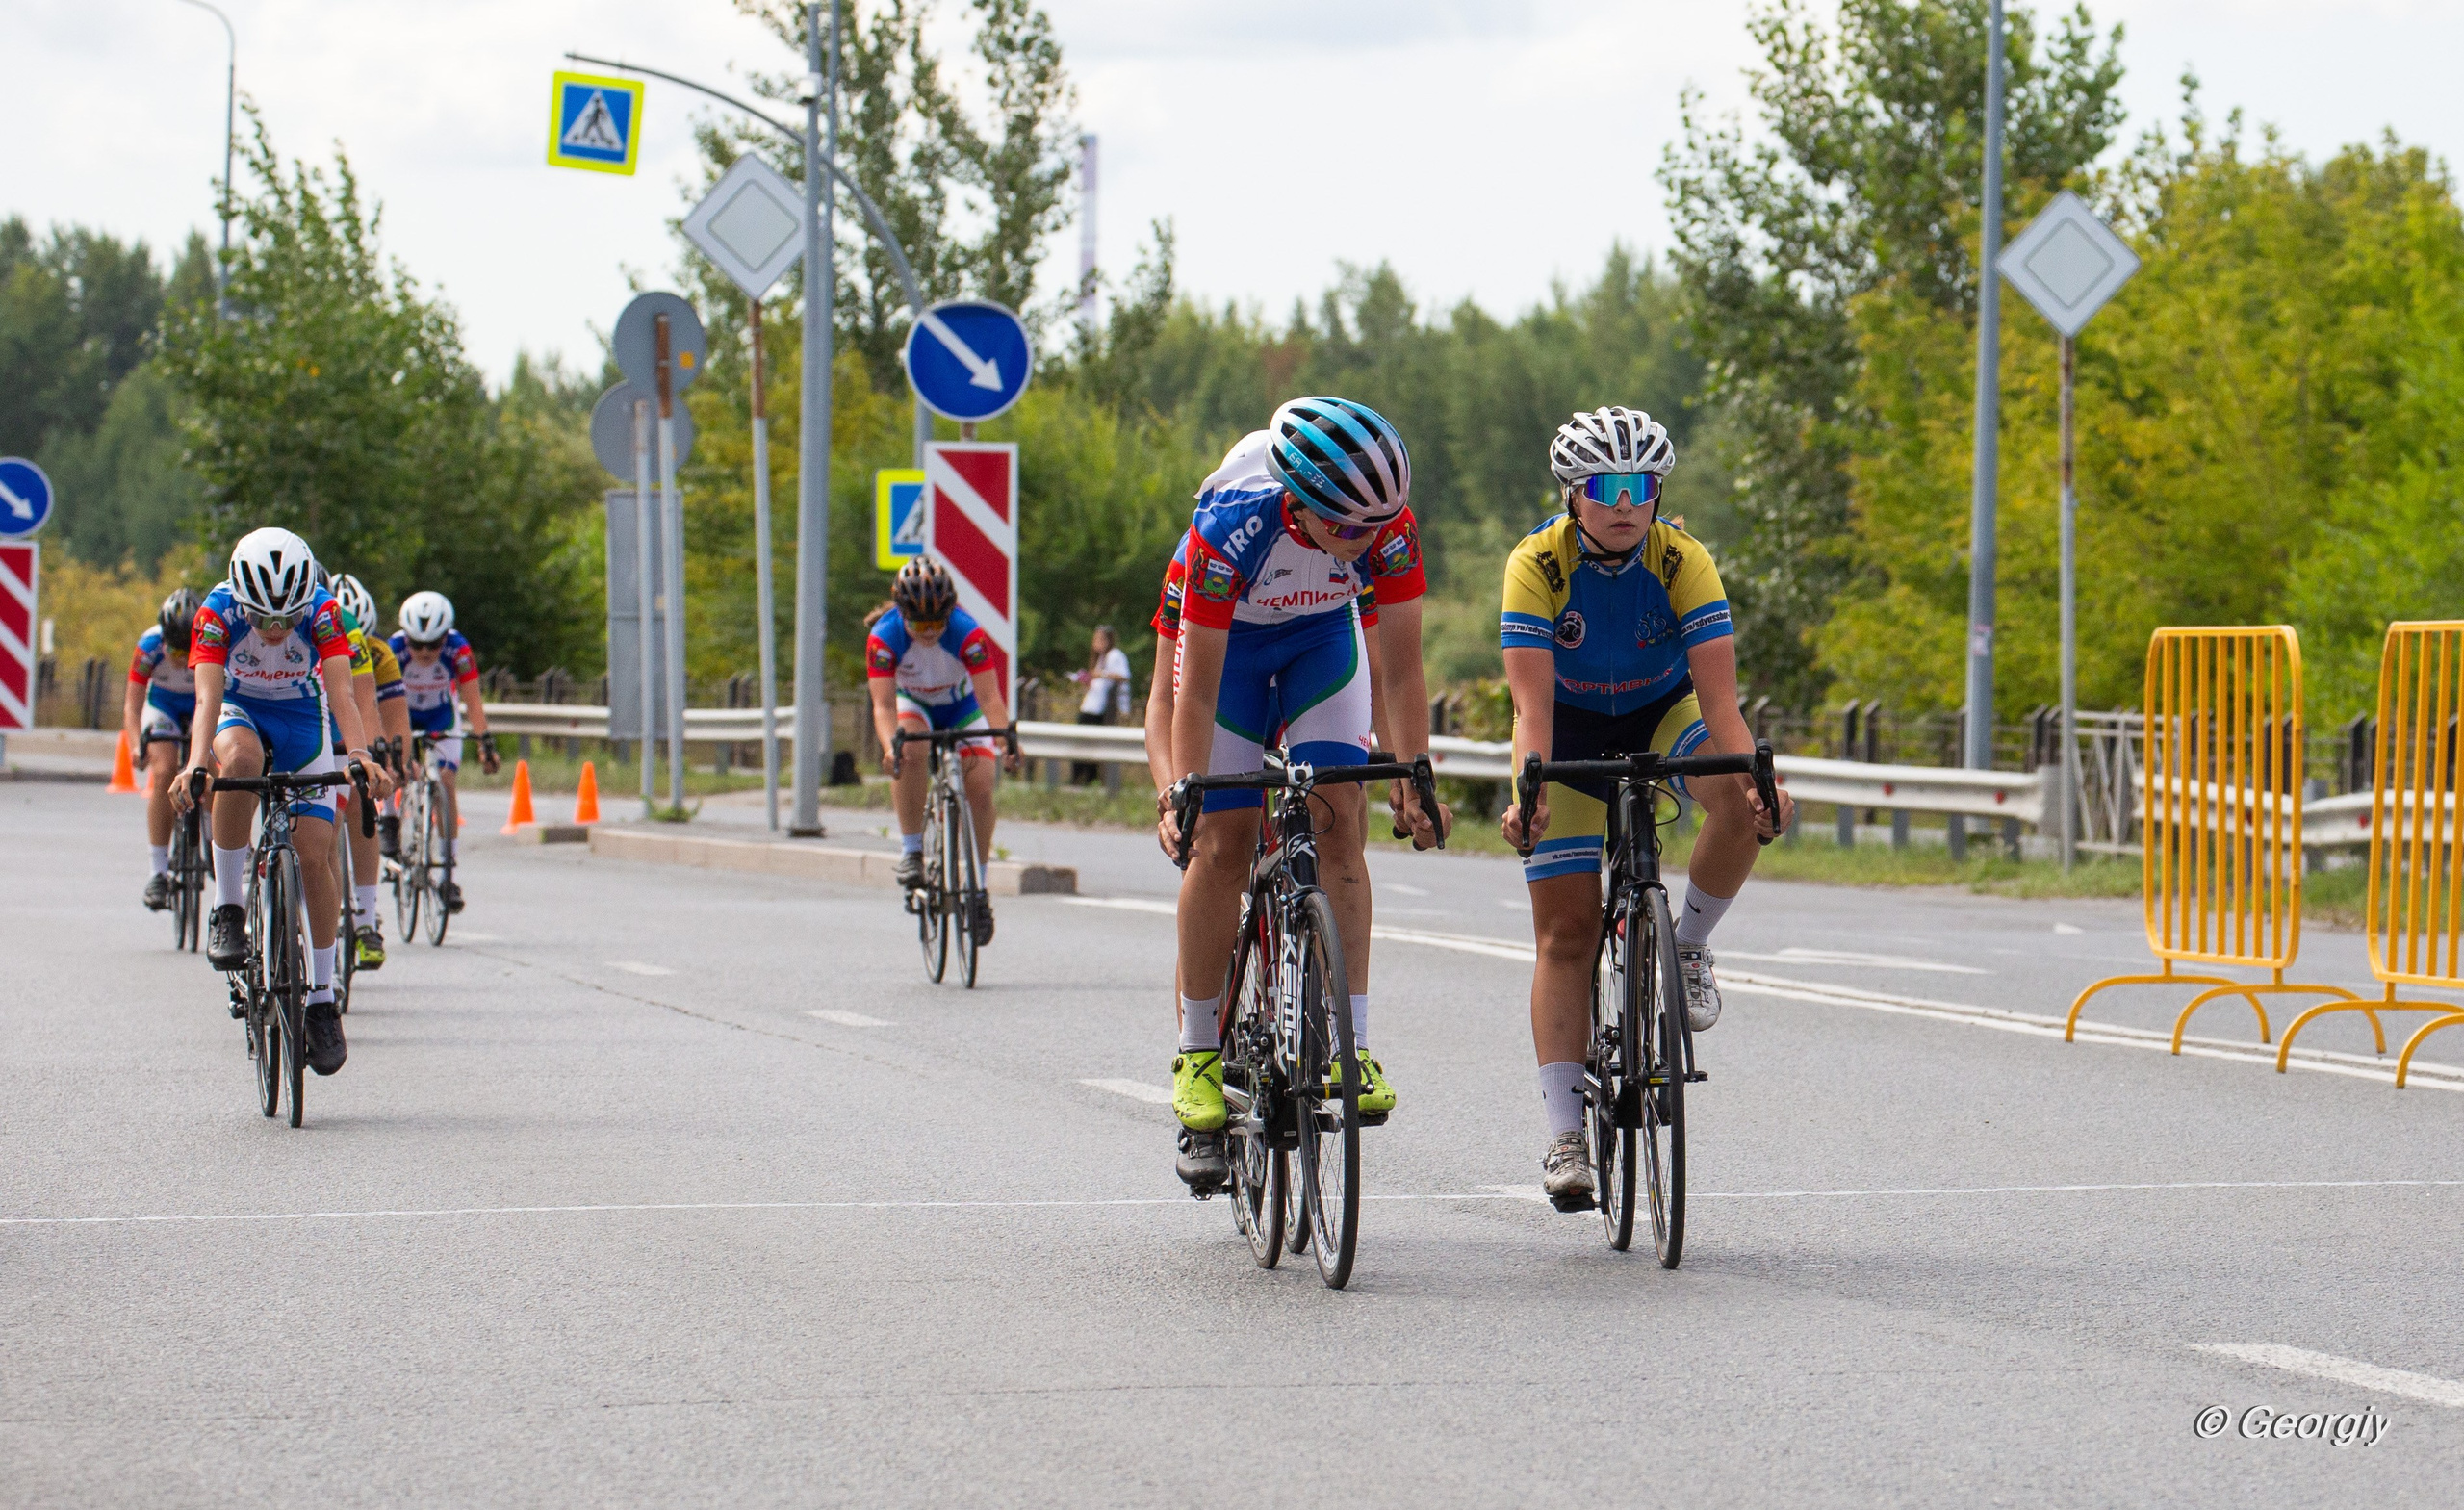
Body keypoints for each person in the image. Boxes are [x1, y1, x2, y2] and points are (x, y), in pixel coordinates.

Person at [1497, 407, 1794, 1208]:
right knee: (1566, 932)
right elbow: (1530, 710)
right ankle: (1565, 1134)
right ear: (1573, 494)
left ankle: (1687, 944)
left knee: (1737, 793)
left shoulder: (1683, 558)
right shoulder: (1537, 565)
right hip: (1568, 726)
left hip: (1662, 710)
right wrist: (1529, 792)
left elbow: (1720, 701)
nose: (1625, 503)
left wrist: (1758, 783)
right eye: (1605, 487)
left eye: (1641, 486)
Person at [1155, 397, 1450, 1190]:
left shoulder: (1386, 523)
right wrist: (1187, 789)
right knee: (1220, 843)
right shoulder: (1232, 526)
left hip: (1323, 638)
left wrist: (1414, 773)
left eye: (1375, 528)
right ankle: (1198, 1053)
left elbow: (1402, 667)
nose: (1364, 541)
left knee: (1340, 826)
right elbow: (1195, 691)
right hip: (1235, 650)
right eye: (1346, 529)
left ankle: (1348, 1047)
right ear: (1300, 498)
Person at [171, 528, 387, 1077]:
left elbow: (341, 692)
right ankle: (228, 908)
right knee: (239, 763)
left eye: (285, 619)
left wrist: (359, 754)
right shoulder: (216, 613)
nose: (273, 631)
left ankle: (319, 999)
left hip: (301, 722)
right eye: (262, 619)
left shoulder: (323, 610)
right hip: (239, 711)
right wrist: (198, 762)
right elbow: (206, 697)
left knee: (314, 853)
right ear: (242, 601)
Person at [865, 557, 1023, 943]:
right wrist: (890, 748)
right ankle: (912, 851)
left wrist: (1004, 740)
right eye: (919, 624)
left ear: (950, 613)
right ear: (902, 616)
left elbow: (989, 696)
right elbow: (884, 708)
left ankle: (979, 890)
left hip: (962, 706)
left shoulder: (967, 632)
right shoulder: (884, 639)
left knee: (981, 786)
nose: (930, 632)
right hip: (913, 704)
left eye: (938, 623)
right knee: (910, 753)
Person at [388, 589, 499, 914]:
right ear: (405, 637)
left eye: (433, 644)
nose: (424, 651)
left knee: (446, 782)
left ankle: (448, 869)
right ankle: (389, 823)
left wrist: (485, 743)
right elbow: (382, 703)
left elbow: (473, 699)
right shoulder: (394, 651)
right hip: (401, 715)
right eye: (417, 643)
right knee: (398, 771)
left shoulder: (458, 649)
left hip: (441, 715)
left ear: (444, 638)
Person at [325, 571, 405, 968]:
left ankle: (365, 917)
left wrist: (376, 758)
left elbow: (366, 701)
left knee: (359, 800)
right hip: (300, 723)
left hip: (341, 722)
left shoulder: (344, 628)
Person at [126, 588, 200, 911]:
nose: (179, 659)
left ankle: (214, 840)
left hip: (201, 704)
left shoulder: (213, 641)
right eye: (173, 650)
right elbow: (133, 704)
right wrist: (133, 744)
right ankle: (158, 871)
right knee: (164, 770)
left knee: (210, 768)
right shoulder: (149, 646)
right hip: (164, 706)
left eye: (186, 654)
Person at [1069, 625, 1133, 784]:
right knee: (1084, 743)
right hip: (1092, 704)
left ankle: (1087, 778)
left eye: (1098, 639)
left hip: (1101, 708)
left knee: (1089, 742)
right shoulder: (1102, 658)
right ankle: (1085, 778)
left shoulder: (1114, 655)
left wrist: (1100, 674)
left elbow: (1123, 676)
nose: (1095, 643)